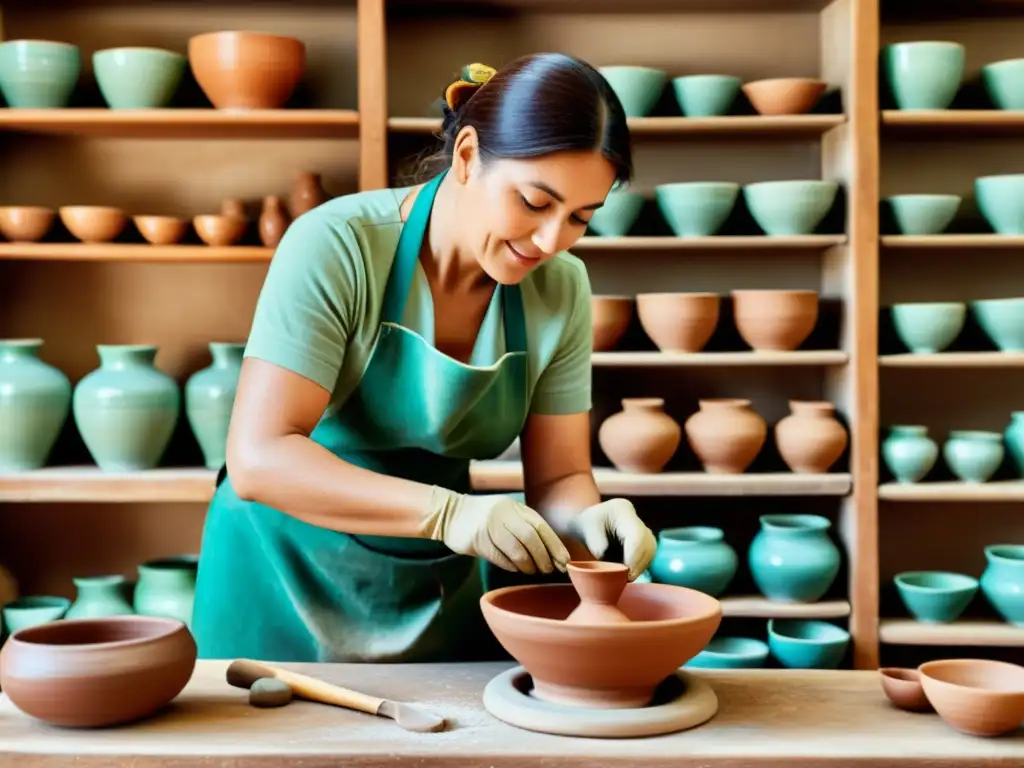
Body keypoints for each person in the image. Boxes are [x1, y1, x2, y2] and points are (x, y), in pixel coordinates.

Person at [191, 52, 658, 663]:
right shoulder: (336, 246)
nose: (551, 241)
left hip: (432, 571)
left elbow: (559, 480)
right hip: (282, 565)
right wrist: (448, 513)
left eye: (580, 218)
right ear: (467, 158)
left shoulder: (561, 286)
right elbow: (258, 457)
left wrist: (592, 519)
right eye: (534, 202)